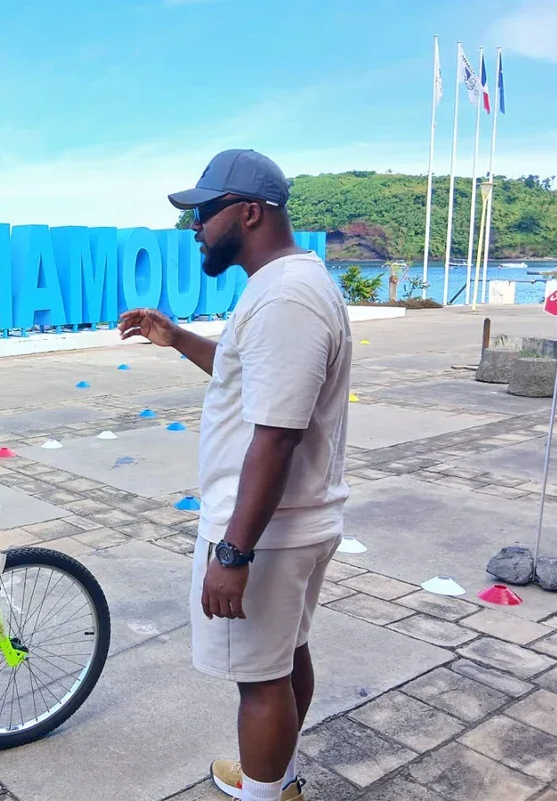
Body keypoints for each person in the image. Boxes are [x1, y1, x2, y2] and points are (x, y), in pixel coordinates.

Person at [118, 150, 351, 801]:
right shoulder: (285, 285)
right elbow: (254, 373)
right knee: (283, 657)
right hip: (289, 522)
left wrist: (232, 550)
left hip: (268, 531)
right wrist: (179, 339)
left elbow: (275, 439)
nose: (194, 227)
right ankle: (273, 779)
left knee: (260, 679)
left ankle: (264, 792)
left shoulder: (285, 296)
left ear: (249, 212)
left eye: (204, 212)